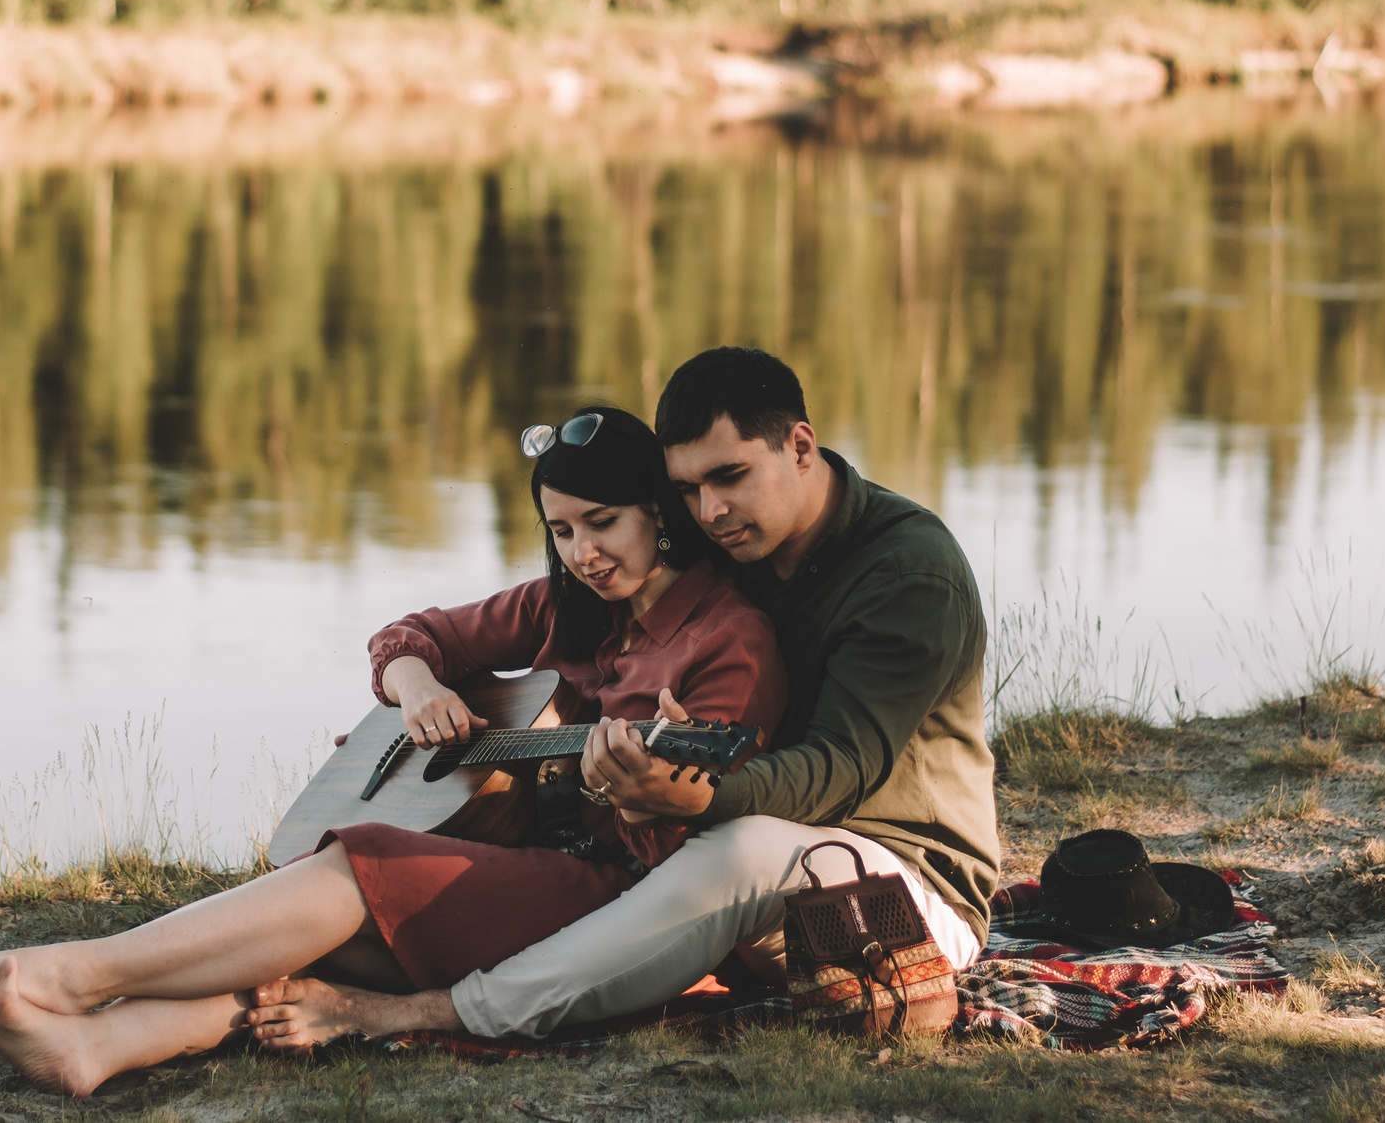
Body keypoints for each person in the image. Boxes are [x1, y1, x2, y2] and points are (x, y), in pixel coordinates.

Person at [0, 404, 787, 1096]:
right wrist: (420, 690)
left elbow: (697, 837)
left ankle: (79, 976)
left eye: (602, 525)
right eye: (560, 531)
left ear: (660, 512)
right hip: (506, 857)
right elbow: (409, 635)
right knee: (324, 938)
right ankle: (102, 1045)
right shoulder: (566, 603)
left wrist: (635, 789)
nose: (583, 554)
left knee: (357, 869)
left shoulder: (728, 642)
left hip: (613, 901)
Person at [244, 347, 998, 1048]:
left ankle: (434, 1011)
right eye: (688, 489)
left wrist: (690, 796)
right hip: (749, 887)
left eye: (730, 476)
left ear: (800, 447)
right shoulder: (740, 546)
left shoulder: (907, 577)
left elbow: (835, 769)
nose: (709, 511)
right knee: (710, 853)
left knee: (739, 849)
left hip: (902, 890)